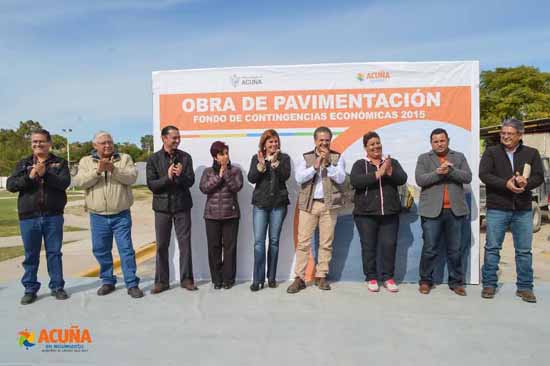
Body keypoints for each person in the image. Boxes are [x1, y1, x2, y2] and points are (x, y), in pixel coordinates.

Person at [479, 118, 543, 303]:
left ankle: (525, 287)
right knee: (492, 248)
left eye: (509, 133)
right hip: (497, 207)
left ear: (520, 135)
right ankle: (489, 285)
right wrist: (506, 184)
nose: (505, 136)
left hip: (522, 208)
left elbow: (538, 177)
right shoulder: (491, 152)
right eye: (503, 133)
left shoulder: (532, 153)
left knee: (524, 251)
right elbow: (484, 174)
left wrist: (526, 183)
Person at [73, 131, 144, 298]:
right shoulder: (86, 161)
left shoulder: (124, 158)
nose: (107, 145)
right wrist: (97, 171)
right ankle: (107, 281)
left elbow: (132, 178)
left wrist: (113, 169)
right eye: (103, 143)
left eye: (110, 142)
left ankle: (132, 283)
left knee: (126, 250)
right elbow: (79, 182)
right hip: (97, 216)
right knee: (100, 250)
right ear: (94, 146)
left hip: (121, 214)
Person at [7, 129, 70, 305]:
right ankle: (30, 289)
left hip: (53, 216)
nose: (37, 145)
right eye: (34, 142)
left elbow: (64, 183)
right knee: (31, 255)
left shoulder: (59, 163)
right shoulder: (24, 163)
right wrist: (30, 176)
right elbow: (11, 185)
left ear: (49, 143)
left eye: (41, 141)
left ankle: (57, 287)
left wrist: (45, 174)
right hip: (29, 217)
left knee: (54, 254)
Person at [287, 126, 346, 293]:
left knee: (326, 243)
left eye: (327, 140)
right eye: (321, 140)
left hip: (329, 205)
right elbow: (299, 178)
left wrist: (327, 164)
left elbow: (341, 178)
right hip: (309, 204)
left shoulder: (337, 157)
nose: (324, 143)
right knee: (303, 243)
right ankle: (299, 278)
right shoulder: (305, 157)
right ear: (315, 141)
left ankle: (321, 276)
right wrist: (315, 166)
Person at [415, 128, 472, 296]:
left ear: (448, 140)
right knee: (430, 248)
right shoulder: (424, 158)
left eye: (442, 140)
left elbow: (468, 177)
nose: (439, 144)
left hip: (455, 211)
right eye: (436, 141)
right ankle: (425, 281)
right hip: (431, 212)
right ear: (431, 143)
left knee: (455, 250)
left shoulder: (459, 157)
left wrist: (451, 171)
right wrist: (438, 173)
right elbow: (420, 179)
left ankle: (456, 282)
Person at [350, 131, 407, 293]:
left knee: (389, 245)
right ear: (365, 148)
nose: (376, 146)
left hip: (389, 213)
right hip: (365, 215)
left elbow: (402, 178)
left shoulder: (391, 162)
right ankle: (371, 277)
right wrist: (378, 173)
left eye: (378, 143)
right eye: (372, 144)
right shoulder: (360, 164)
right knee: (369, 246)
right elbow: (356, 181)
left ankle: (388, 277)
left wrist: (389, 171)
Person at [146, 125, 198, 294]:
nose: (177, 140)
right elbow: (152, 185)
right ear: (164, 138)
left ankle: (187, 279)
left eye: (178, 137)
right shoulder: (153, 159)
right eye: (174, 137)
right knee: (162, 245)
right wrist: (168, 177)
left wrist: (181, 175)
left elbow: (190, 182)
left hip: (182, 206)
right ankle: (161, 282)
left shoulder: (186, 157)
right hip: (162, 208)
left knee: (185, 245)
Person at [247, 129, 291, 291]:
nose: (274, 144)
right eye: (270, 141)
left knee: (274, 242)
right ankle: (257, 279)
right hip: (260, 205)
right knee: (259, 243)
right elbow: (251, 178)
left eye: (276, 141)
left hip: (278, 204)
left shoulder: (284, 158)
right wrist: (260, 166)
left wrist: (276, 165)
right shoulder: (256, 158)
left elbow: (286, 176)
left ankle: (271, 277)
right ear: (264, 144)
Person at [199, 141, 243, 289]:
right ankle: (217, 280)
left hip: (231, 215)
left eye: (226, 153)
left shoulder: (235, 171)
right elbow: (204, 188)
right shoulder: (207, 172)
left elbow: (236, 187)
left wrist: (226, 173)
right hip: (211, 216)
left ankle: (228, 279)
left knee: (230, 249)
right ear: (215, 157)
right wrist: (219, 176)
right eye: (222, 154)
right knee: (214, 248)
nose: (225, 156)